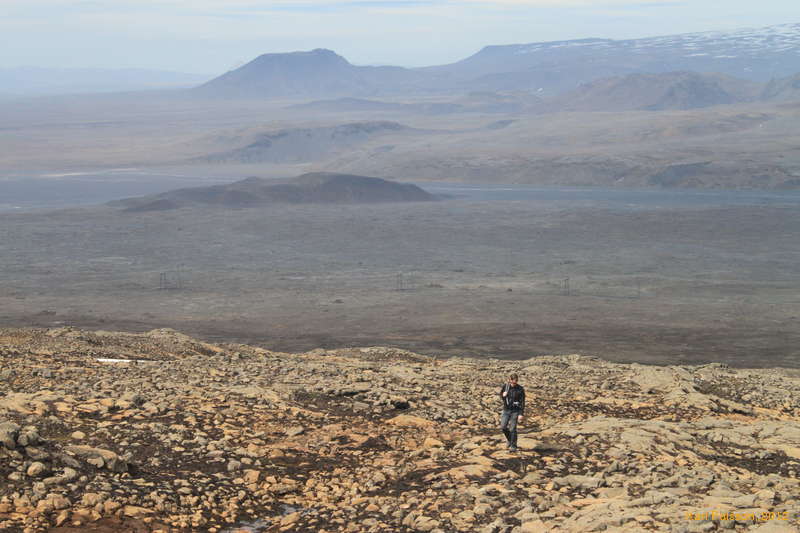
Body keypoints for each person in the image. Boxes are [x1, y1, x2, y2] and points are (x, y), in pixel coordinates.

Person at [500, 373, 525, 451]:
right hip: (506, 410)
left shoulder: (520, 389)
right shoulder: (506, 387)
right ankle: (510, 439)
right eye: (513, 382)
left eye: (516, 382)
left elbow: (522, 402)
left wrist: (521, 414)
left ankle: (513, 446)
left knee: (512, 429)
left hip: (515, 411)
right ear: (510, 380)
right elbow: (501, 395)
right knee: (503, 427)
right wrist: (503, 395)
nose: (514, 383)